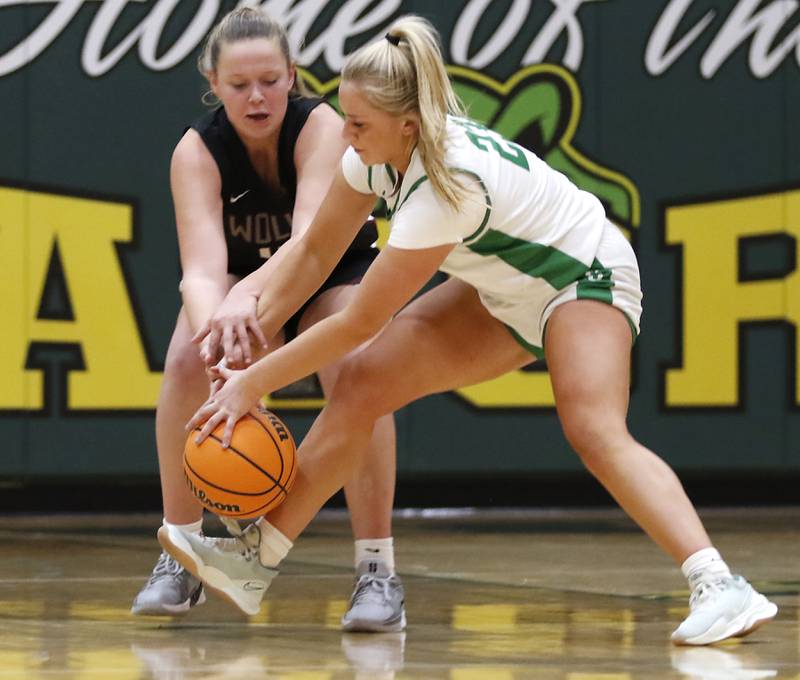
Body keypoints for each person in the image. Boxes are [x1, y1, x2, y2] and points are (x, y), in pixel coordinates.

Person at [158, 15, 778, 645]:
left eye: (357, 124)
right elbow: (313, 253)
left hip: (582, 275)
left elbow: (359, 320)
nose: (343, 134)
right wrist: (245, 315)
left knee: (592, 429)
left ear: (406, 125)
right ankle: (253, 559)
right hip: (508, 286)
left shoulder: (446, 186)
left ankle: (719, 584)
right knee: (365, 383)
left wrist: (250, 382)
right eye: (343, 118)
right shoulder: (373, 155)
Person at [131, 6, 407, 634]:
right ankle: (180, 552)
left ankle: (377, 570)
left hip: (330, 273)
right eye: (239, 85)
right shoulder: (196, 151)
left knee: (358, 370)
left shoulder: (322, 128)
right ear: (212, 81)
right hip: (239, 288)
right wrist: (217, 350)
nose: (257, 96)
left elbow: (311, 245)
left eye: (270, 80)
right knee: (183, 362)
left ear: (292, 75)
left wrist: (243, 300)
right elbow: (201, 272)